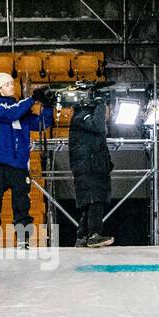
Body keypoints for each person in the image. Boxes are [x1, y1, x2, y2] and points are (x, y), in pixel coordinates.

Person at [0, 73, 53, 249]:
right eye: (6, 84)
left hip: (19, 164)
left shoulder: (22, 109)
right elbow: (10, 114)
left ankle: (23, 239)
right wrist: (31, 99)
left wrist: (47, 105)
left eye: (11, 83)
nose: (11, 86)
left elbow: (41, 123)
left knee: (22, 204)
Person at [69, 98, 115, 248]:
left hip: (94, 166)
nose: (108, 113)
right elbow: (98, 126)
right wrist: (101, 105)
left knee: (93, 201)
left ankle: (83, 235)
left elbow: (99, 140)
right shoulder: (81, 116)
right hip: (88, 167)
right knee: (94, 199)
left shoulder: (86, 121)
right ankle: (94, 234)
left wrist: (107, 163)